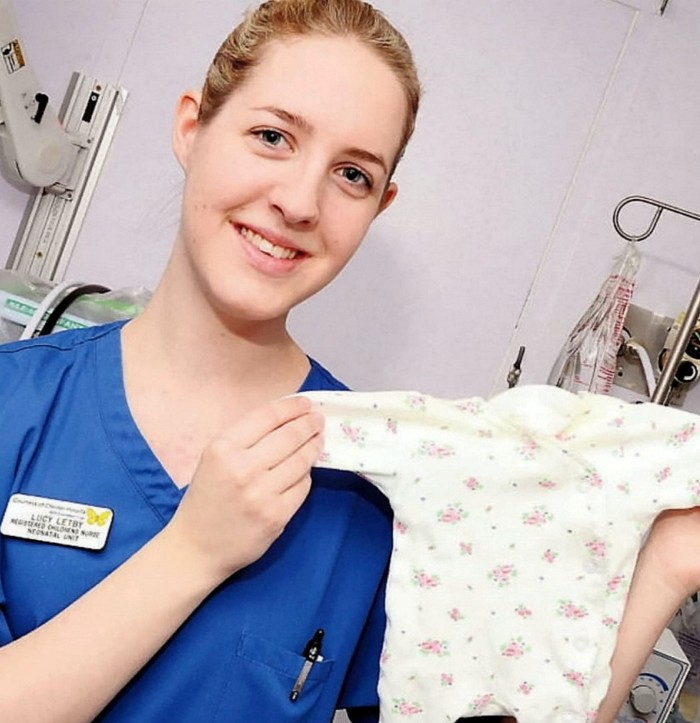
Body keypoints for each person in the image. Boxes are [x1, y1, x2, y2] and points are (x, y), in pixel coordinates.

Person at [0, 1, 698, 722]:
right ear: (192, 128)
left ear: (380, 204)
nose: (300, 201)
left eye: (353, 175)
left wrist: (673, 561)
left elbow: (515, 707)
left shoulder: (380, 482)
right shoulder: (14, 405)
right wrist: (194, 551)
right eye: (272, 136)